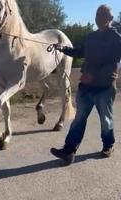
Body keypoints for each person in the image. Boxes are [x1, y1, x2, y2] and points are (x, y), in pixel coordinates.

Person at [50, 5, 121, 165]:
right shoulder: (91, 37)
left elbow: (113, 65)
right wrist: (63, 49)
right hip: (86, 87)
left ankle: (108, 145)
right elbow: (80, 51)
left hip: (104, 87)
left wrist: (94, 76)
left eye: (103, 15)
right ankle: (69, 151)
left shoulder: (116, 38)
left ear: (110, 19)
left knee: (106, 120)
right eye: (97, 15)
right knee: (79, 119)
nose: (98, 18)